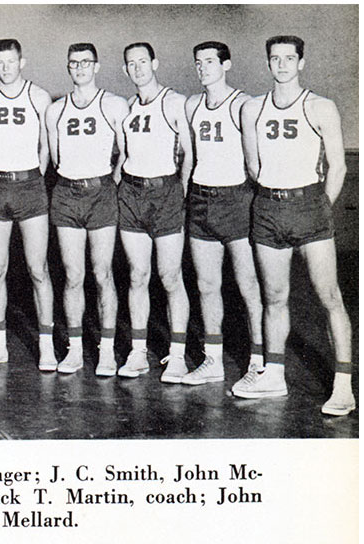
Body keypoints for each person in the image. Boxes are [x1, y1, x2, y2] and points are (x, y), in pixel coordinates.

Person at [240, 35, 354, 416]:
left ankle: (343, 385)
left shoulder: (320, 107)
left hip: (310, 207)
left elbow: (337, 166)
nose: (283, 65)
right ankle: (273, 375)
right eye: (275, 58)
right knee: (274, 297)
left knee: (329, 296)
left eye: (290, 58)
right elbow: (253, 166)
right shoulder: (252, 109)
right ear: (268, 63)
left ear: (301, 63)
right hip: (269, 208)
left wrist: (320, 207)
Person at [180, 41, 264, 386]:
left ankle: (260, 362)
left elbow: (255, 161)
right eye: (198, 63)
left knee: (248, 285)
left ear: (226, 65)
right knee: (207, 284)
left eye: (210, 62)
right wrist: (185, 197)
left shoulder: (242, 104)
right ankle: (212, 360)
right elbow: (190, 157)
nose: (203, 68)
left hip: (236, 199)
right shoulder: (191, 105)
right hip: (201, 199)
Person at [44, 43, 129, 376]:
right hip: (66, 193)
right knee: (73, 275)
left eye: (85, 62)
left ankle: (106, 351)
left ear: (97, 66)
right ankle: (75, 349)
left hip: (101, 192)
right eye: (73, 63)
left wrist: (111, 182)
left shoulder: (113, 104)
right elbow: (55, 157)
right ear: (68, 68)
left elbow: (126, 152)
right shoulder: (56, 110)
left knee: (102, 272)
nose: (79, 68)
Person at [0, 38, 56, 370]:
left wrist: (33, 178)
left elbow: (46, 148)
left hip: (30, 186)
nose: (5, 67)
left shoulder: (38, 97)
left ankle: (47, 346)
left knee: (38, 269)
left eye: (11, 61)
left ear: (22, 62)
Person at [117, 42, 193, 381]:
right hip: (132, 194)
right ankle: (137, 352)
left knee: (171, 275)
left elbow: (189, 155)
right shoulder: (127, 106)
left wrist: (182, 192)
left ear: (155, 62)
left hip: (165, 194)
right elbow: (122, 153)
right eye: (131, 64)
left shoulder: (175, 102)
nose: (137, 68)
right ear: (125, 70)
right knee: (137, 275)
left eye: (143, 61)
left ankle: (177, 355)